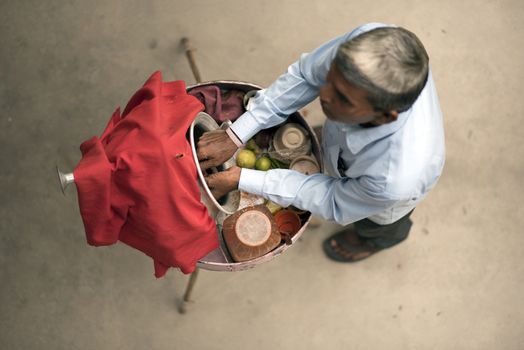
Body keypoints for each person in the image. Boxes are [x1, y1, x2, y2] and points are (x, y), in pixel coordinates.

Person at [196, 22, 445, 262]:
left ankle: (372, 242)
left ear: (384, 116)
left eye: (343, 99)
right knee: (326, 142)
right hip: (351, 146)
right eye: (330, 80)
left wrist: (242, 178)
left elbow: (333, 199)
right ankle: (334, 145)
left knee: (378, 225)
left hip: (384, 201)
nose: (323, 96)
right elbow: (307, 76)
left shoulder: (394, 178)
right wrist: (236, 134)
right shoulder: (369, 46)